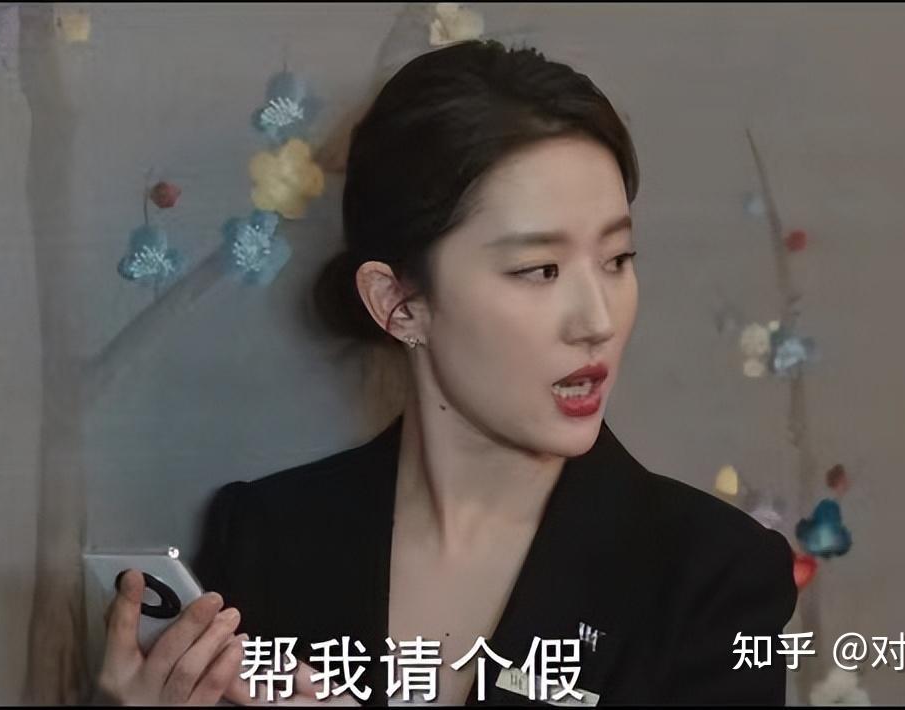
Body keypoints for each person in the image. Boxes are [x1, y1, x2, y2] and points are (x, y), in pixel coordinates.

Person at [97, 39, 797, 707]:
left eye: (617, 260)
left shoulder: (713, 576)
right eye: (540, 270)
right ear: (398, 303)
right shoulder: (268, 538)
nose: (598, 320)